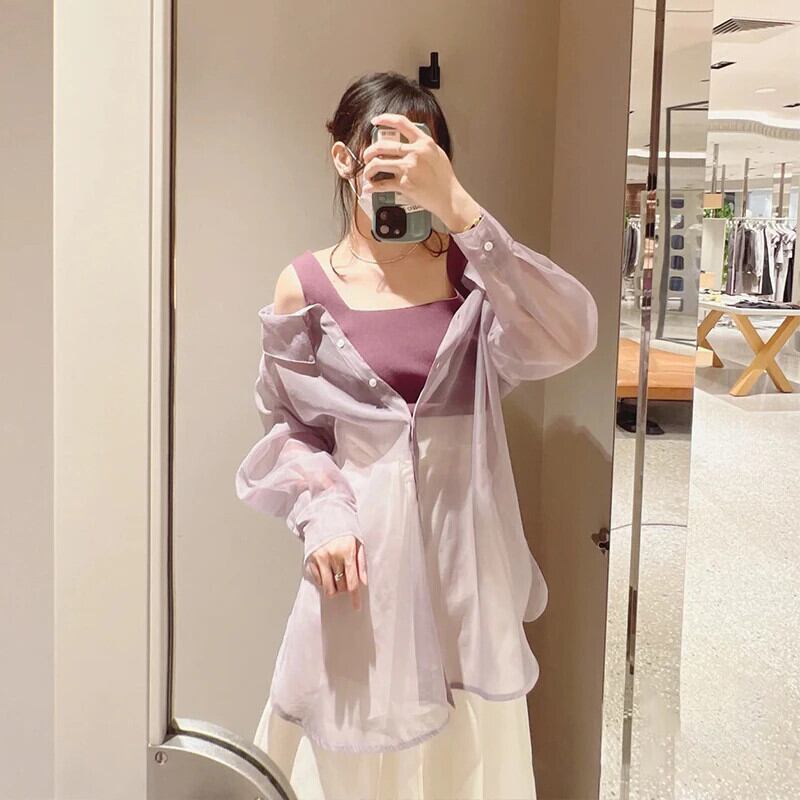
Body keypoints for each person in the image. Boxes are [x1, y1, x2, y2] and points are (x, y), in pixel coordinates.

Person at [235, 71, 598, 800]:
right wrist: (324, 517)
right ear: (344, 160)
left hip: (466, 558)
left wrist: (461, 210)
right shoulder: (304, 287)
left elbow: (569, 335)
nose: (400, 178)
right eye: (384, 159)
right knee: (355, 752)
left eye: (419, 160)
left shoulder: (473, 273)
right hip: (362, 565)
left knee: (467, 761)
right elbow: (289, 425)